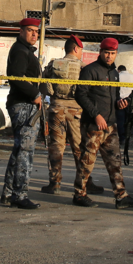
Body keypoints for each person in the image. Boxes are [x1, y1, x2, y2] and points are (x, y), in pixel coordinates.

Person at [73, 37, 133, 210]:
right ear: (101, 52)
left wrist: (119, 103)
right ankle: (79, 194)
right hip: (93, 126)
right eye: (106, 53)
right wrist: (96, 115)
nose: (109, 56)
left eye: (112, 53)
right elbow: (80, 94)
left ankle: (121, 196)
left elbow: (115, 96)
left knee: (115, 163)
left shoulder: (114, 73)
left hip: (111, 126)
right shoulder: (90, 71)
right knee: (87, 162)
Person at [40, 35, 100, 195]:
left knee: (56, 147)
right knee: (80, 148)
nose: (81, 53)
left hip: (56, 110)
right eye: (81, 50)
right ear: (76, 49)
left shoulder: (53, 64)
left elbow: (43, 86)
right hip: (76, 112)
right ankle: (85, 182)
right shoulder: (83, 68)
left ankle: (54, 183)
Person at [1, 17, 43, 209]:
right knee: (25, 152)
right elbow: (16, 77)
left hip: (24, 105)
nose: (34, 34)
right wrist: (35, 94)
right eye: (30, 30)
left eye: (36, 31)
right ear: (21, 31)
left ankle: (9, 193)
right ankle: (20, 195)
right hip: (24, 106)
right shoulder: (20, 50)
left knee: (19, 151)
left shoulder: (25, 50)